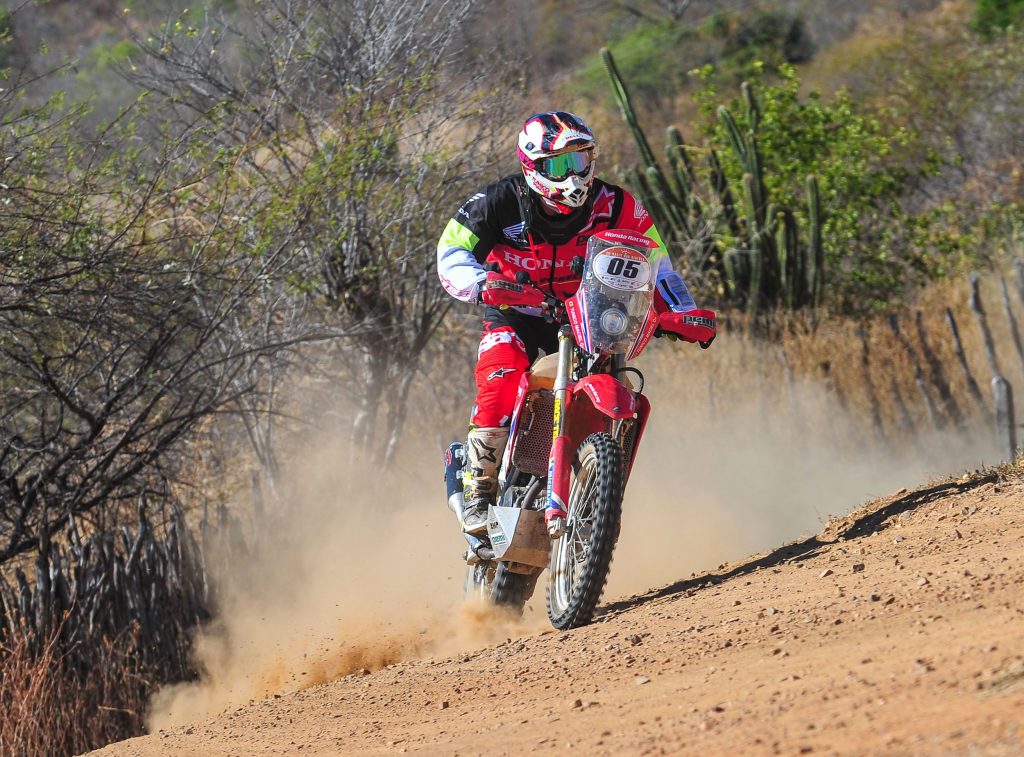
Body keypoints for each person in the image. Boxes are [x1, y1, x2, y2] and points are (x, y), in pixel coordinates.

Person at [436, 110, 714, 534]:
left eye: (581, 161)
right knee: (502, 377)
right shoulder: (498, 202)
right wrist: (480, 283)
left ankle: (593, 486)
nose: (574, 175)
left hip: (591, 318)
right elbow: (453, 249)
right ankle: (479, 489)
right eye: (561, 164)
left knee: (618, 386)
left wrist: (679, 311)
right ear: (532, 166)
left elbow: (659, 266)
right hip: (518, 312)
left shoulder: (617, 206)